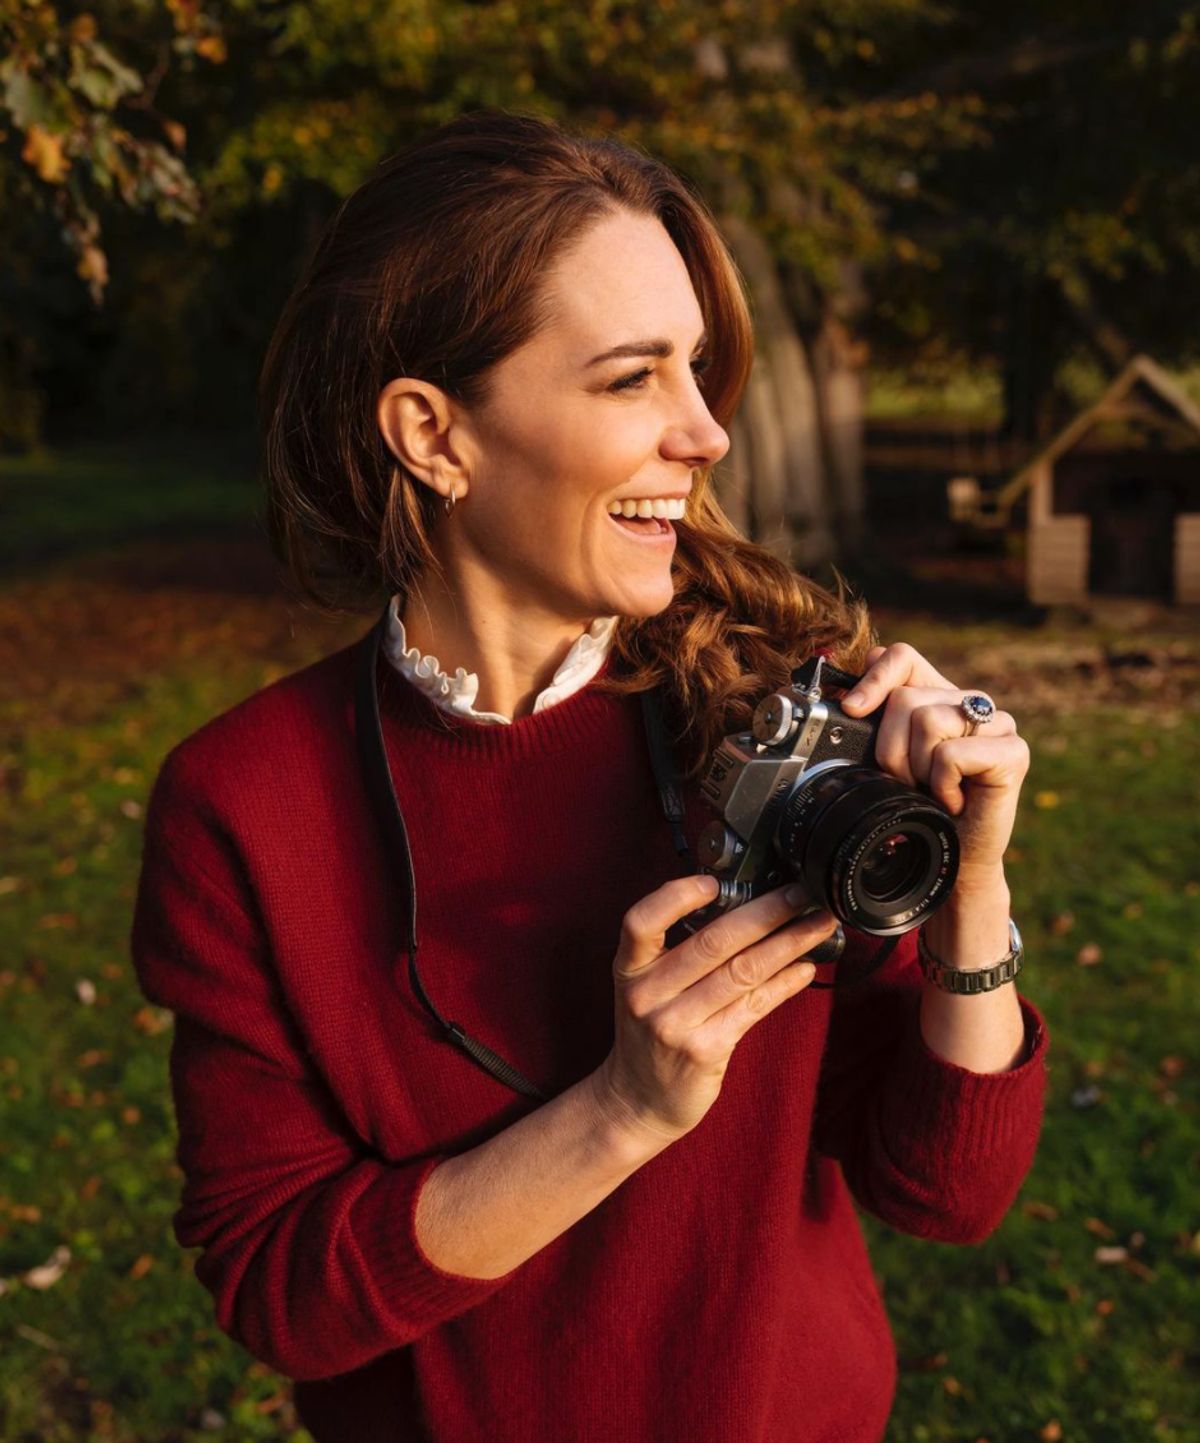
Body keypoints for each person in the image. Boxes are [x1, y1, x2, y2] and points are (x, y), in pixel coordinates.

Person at [130, 108, 1048, 1443]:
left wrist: (969, 889)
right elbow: (281, 1289)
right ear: (433, 434)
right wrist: (623, 1111)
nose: (707, 433)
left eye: (696, 367)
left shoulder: (780, 709)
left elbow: (947, 1193)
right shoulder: (246, 807)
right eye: (633, 379)